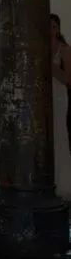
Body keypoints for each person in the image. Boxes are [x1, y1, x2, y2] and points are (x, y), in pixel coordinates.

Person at [50, 13, 71, 200]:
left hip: (57, 95)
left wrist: (51, 67)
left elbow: (68, 78)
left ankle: (63, 183)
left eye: (54, 27)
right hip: (44, 96)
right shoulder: (39, 47)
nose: (51, 30)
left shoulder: (64, 49)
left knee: (59, 136)